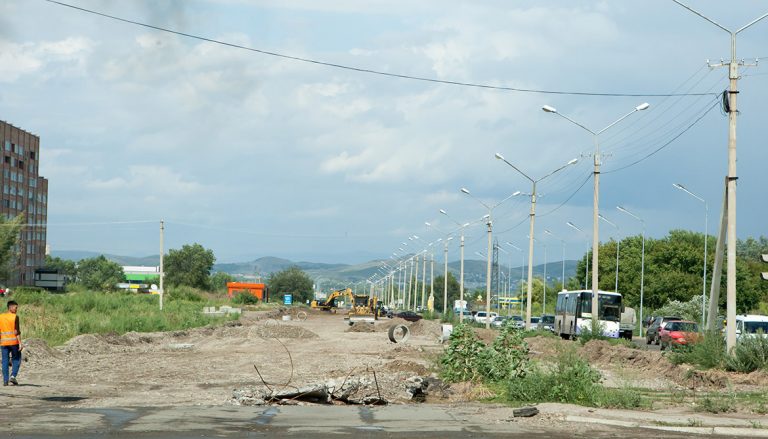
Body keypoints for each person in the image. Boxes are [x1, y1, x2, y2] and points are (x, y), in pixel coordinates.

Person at [1, 300, 22, 386]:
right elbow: (16, 331)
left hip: (3, 343)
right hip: (13, 342)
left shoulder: (1, 316)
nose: (16, 309)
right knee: (16, 359)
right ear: (10, 307)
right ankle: (13, 376)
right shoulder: (15, 317)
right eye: (15, 308)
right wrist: (20, 343)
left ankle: (5, 381)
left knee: (5, 361)